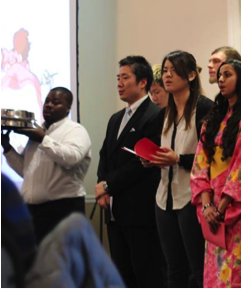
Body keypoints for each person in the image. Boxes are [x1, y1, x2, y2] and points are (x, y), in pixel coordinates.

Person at [191, 59, 241, 288]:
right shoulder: (214, 117)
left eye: (228, 75)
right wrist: (206, 206)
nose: (221, 79)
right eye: (220, 75)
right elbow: (200, 163)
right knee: (214, 274)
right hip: (212, 210)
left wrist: (220, 208)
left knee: (239, 274)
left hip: (237, 210)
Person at [142, 51, 213, 288]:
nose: (168, 75)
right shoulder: (165, 113)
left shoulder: (205, 109)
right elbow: (164, 152)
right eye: (165, 71)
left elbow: (213, 158)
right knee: (173, 269)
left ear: (191, 75)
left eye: (174, 70)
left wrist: (179, 159)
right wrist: (152, 159)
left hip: (192, 198)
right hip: (164, 197)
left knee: (198, 267)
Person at [95, 56, 164, 288]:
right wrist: (102, 185)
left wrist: (108, 185)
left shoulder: (155, 115)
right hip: (114, 210)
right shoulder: (116, 118)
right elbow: (105, 155)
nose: (119, 83)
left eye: (125, 78)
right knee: (121, 275)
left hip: (140, 211)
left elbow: (139, 164)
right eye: (118, 78)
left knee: (146, 274)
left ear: (143, 82)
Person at [1, 87, 92, 243]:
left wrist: (43, 139)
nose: (49, 105)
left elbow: (71, 159)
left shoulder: (76, 131)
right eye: (47, 101)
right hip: (33, 212)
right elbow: (26, 170)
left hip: (63, 211)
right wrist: (7, 147)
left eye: (56, 102)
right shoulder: (38, 131)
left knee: (60, 264)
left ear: (68, 108)